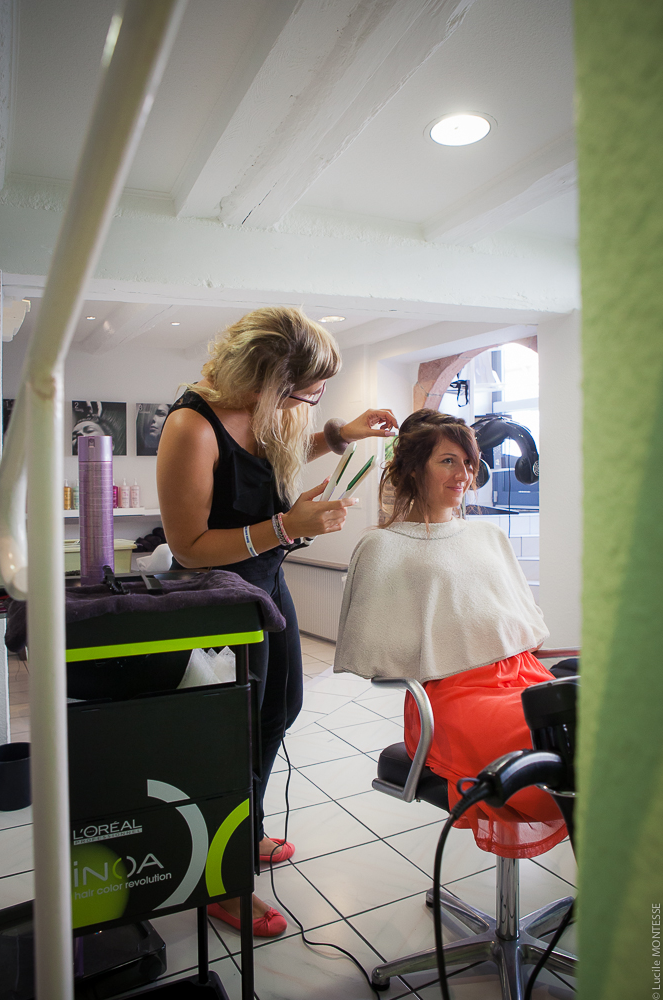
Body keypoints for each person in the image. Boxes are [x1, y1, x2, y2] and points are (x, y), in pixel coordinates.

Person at [156, 306, 397, 936]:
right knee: (228, 738)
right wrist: (288, 525)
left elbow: (272, 454)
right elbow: (189, 548)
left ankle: (247, 828)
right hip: (216, 602)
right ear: (267, 378)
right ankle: (222, 877)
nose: (310, 405)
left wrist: (340, 434)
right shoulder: (191, 427)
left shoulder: (261, 410)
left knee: (279, 710)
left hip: (265, 584)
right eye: (306, 393)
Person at [335, 409, 566, 860]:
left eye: (468, 462)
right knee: (556, 742)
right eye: (447, 461)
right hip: (452, 699)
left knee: (603, 724)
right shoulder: (381, 546)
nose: (464, 474)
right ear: (413, 469)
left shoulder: (488, 536)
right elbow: (372, 653)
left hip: (522, 678)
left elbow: (525, 628)